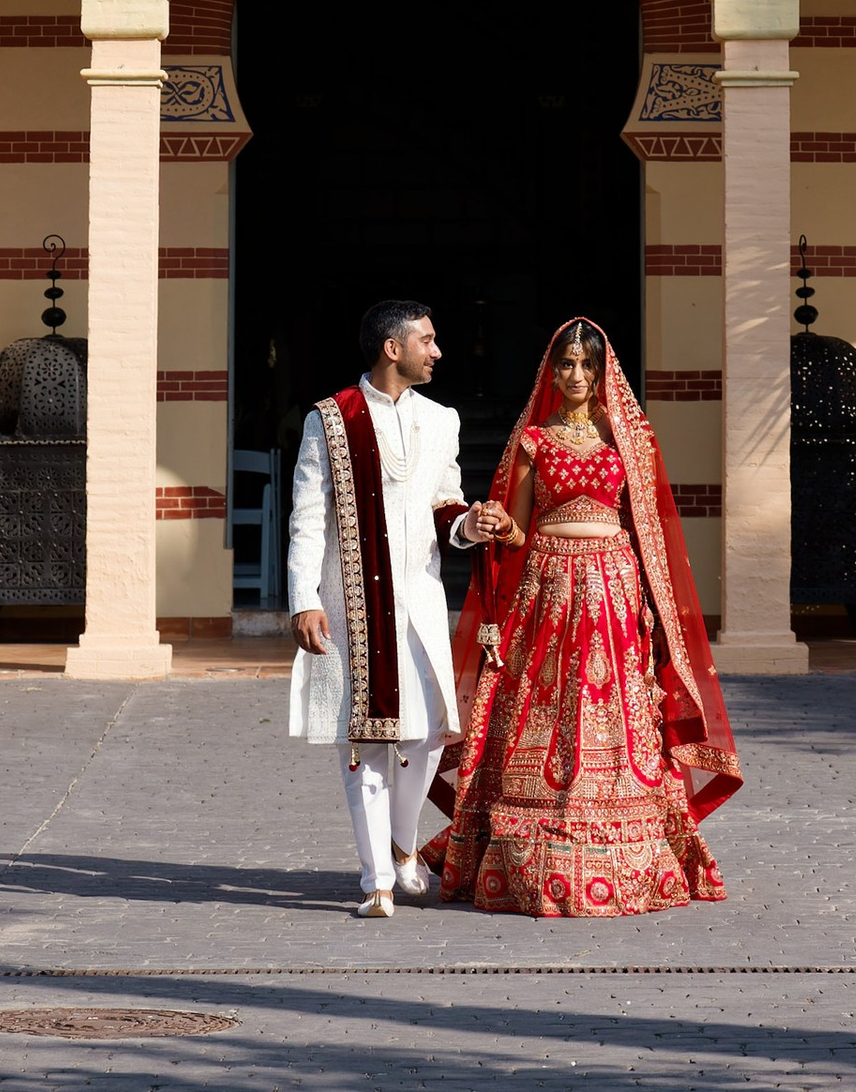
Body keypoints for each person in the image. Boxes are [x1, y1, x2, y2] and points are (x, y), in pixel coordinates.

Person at [429, 317, 737, 917]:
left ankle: (629, 846)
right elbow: (519, 532)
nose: (576, 374)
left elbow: (648, 524)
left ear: (601, 372)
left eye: (586, 364)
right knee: (544, 707)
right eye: (566, 364)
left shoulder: (629, 437)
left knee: (615, 712)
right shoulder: (534, 441)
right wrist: (500, 525)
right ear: (552, 371)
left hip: (615, 588)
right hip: (548, 588)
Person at [285, 297, 510, 920]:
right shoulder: (331, 420)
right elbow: (308, 519)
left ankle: (402, 844)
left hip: (420, 600)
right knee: (363, 742)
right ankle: (376, 881)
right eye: (427, 340)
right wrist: (304, 599)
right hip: (351, 603)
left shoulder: (441, 419)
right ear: (393, 348)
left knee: (427, 734)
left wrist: (471, 525)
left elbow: (445, 505)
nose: (437, 351)